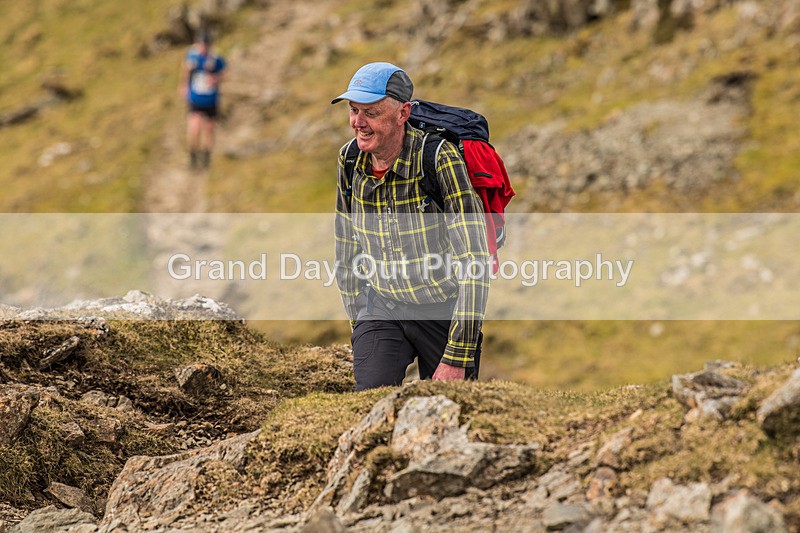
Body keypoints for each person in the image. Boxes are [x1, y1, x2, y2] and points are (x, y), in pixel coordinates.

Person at [332, 62, 490, 391]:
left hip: (443, 311)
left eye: (371, 113)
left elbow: (474, 259)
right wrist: (359, 319)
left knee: (450, 410)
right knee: (370, 404)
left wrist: (457, 355)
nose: (358, 123)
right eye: (353, 110)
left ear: (403, 113)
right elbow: (346, 247)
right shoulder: (348, 160)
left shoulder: (439, 159)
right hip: (382, 307)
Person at [179, 32, 226, 170]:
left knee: (209, 128)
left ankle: (206, 156)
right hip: (195, 98)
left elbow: (226, 72)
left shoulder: (216, 58)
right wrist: (183, 85)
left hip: (211, 99)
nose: (203, 48)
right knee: (194, 126)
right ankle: (192, 155)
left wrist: (216, 79)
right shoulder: (192, 55)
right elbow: (185, 69)